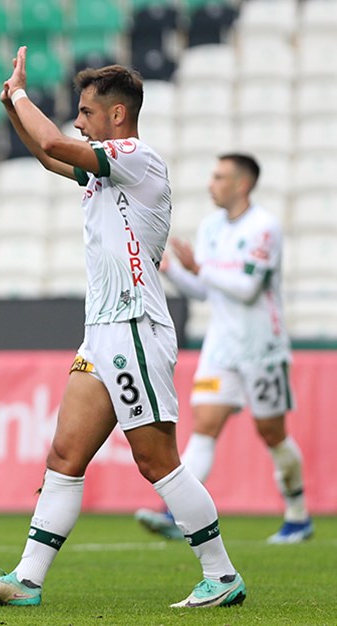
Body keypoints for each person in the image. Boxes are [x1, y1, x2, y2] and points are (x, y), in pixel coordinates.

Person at [0, 48, 246, 609]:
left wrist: (22, 94)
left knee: (156, 461)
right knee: (64, 456)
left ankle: (221, 574)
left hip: (135, 327)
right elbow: (49, 157)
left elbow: (56, 143)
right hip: (102, 332)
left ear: (117, 115)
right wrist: (12, 109)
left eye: (86, 112)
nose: (78, 121)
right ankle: (27, 580)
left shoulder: (137, 156)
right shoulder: (105, 171)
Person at [135, 154, 313, 544]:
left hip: (262, 347)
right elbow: (205, 291)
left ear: (241, 184)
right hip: (221, 347)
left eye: (219, 177)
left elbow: (247, 290)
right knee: (203, 428)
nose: (210, 184)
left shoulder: (264, 228)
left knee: (272, 433)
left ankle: (298, 515)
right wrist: (173, 271)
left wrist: (200, 269)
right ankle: (175, 512)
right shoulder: (211, 227)